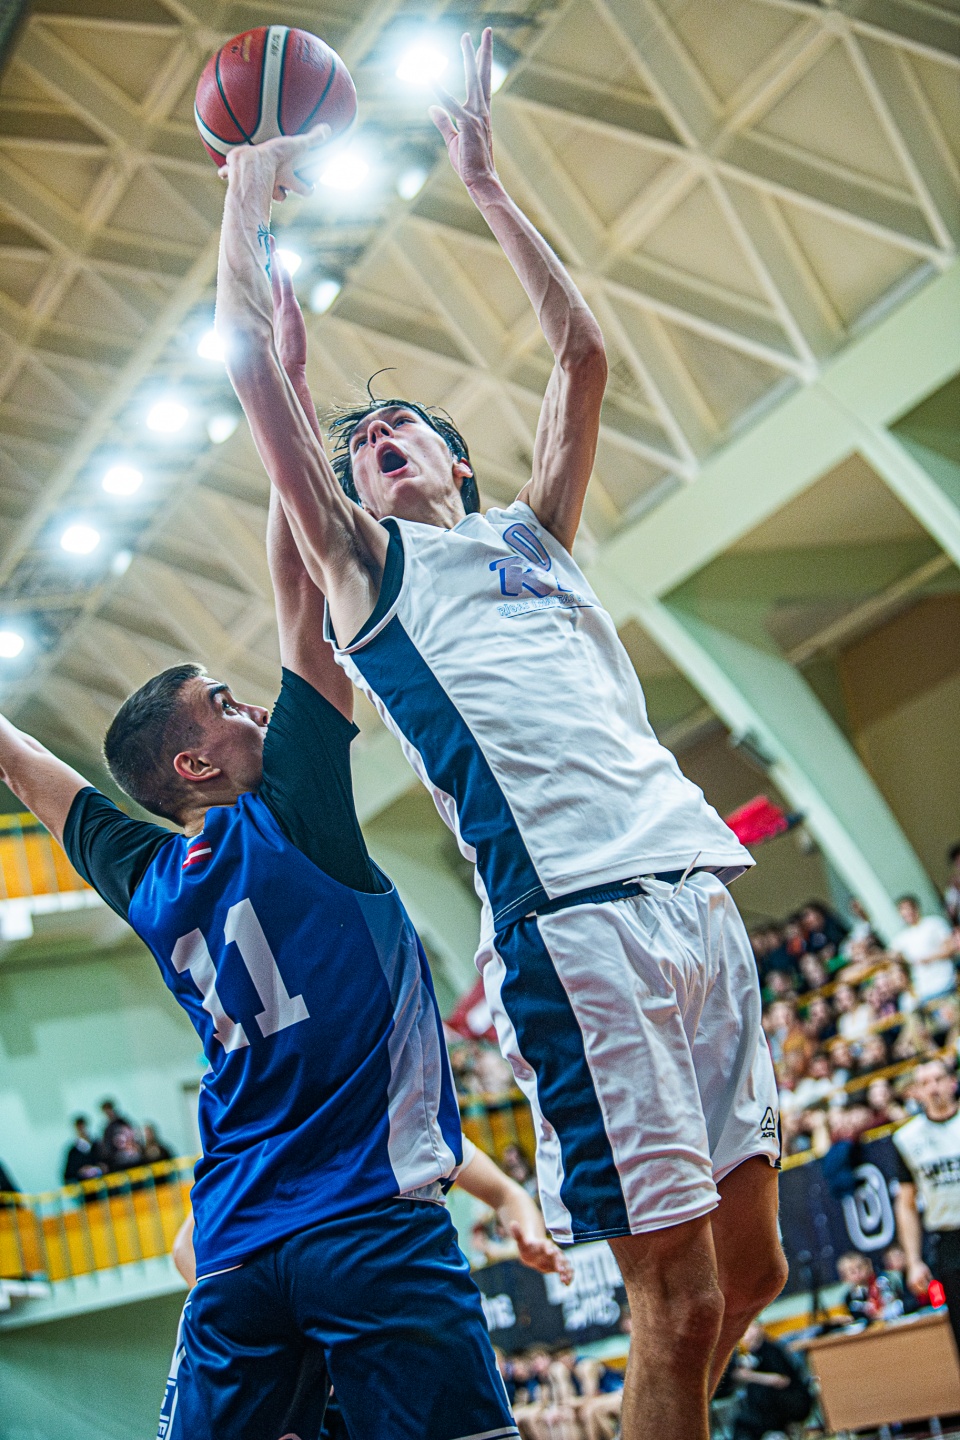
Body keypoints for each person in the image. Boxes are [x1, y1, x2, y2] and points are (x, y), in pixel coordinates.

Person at [216, 29, 785, 1440]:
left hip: (693, 892)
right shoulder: (371, 573)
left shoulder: (535, 534)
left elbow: (582, 356)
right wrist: (247, 192)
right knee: (676, 1307)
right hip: (572, 924)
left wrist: (484, 181)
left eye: (403, 428)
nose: (379, 441)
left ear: (455, 459)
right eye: (360, 446)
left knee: (755, 1275)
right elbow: (255, 391)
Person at [0, 278, 517, 1438]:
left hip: (234, 1253)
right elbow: (298, 583)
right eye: (225, 704)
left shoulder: (147, 878)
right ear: (196, 766)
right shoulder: (296, 808)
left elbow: (26, 769)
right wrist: (279, 383)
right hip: (368, 1222)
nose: (251, 705)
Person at [894, 1058, 960, 1356]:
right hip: (948, 1240)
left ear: (952, 1082)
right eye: (924, 1082)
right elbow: (906, 1203)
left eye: (938, 1079)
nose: (932, 1088)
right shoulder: (907, 1138)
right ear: (917, 1092)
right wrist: (913, 1261)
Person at [727, 1321, 812, 1440]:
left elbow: (782, 1380)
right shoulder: (754, 1355)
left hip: (792, 1402)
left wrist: (749, 1376)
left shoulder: (771, 1350)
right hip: (774, 1407)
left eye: (750, 1329)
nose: (746, 1335)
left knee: (751, 1414)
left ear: (760, 1328)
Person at [889, 895, 957, 1005]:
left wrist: (929, 959)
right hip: (923, 990)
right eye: (903, 912)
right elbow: (890, 956)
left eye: (908, 909)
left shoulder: (934, 923)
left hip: (944, 981)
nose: (907, 914)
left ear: (916, 908)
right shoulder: (902, 937)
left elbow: (951, 948)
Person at [63, 1115, 105, 1184]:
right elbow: (68, 1174)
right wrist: (80, 1171)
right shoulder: (73, 1151)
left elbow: (105, 1164)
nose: (81, 1129)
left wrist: (96, 1168)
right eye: (79, 1127)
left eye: (82, 1126)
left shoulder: (97, 1146)